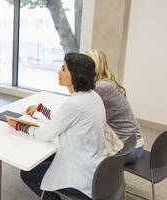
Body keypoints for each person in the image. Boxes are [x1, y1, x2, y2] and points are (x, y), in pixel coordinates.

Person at [7, 53, 107, 200]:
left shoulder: (75, 103)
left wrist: (20, 126)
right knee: (50, 158)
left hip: (79, 176)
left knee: (27, 174)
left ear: (76, 75)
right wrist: (41, 109)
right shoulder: (92, 96)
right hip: (96, 167)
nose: (58, 72)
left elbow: (45, 135)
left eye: (63, 69)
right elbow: (63, 118)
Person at [85, 49, 144, 164]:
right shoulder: (106, 83)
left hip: (126, 149)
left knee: (78, 154)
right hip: (130, 144)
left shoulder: (101, 87)